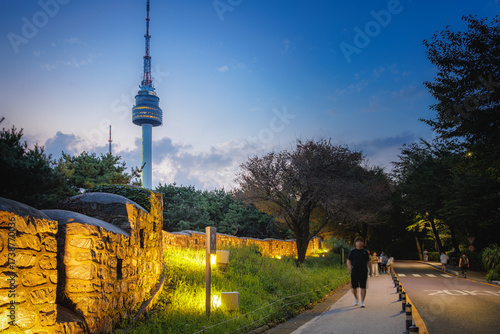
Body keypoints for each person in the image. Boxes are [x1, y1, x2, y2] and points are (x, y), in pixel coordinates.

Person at [347, 237, 372, 308]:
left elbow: (368, 262)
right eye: (358, 241)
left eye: (361, 241)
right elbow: (348, 260)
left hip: (363, 271)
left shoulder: (365, 252)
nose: (359, 243)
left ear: (363, 243)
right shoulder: (352, 251)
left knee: (363, 286)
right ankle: (356, 298)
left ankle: (362, 301)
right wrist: (349, 267)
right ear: (355, 243)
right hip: (354, 271)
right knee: (353, 287)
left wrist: (370, 270)